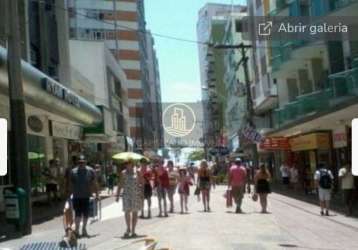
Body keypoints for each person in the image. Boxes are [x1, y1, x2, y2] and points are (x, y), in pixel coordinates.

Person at [66, 155, 98, 237]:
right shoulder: (73, 171)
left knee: (86, 214)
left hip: (86, 196)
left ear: (85, 162)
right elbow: (70, 184)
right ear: (77, 162)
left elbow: (94, 183)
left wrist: (97, 194)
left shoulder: (91, 171)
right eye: (80, 162)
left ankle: (84, 229)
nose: (81, 163)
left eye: (83, 162)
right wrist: (69, 195)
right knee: (77, 214)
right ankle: (77, 230)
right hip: (77, 196)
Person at [116, 160, 143, 238]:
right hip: (126, 195)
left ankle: (133, 230)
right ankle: (128, 228)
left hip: (135, 195)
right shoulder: (123, 173)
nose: (127, 165)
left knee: (135, 212)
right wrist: (117, 195)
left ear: (132, 164)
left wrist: (141, 192)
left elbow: (142, 182)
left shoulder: (137, 172)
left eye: (129, 163)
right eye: (126, 164)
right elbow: (120, 184)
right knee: (127, 212)